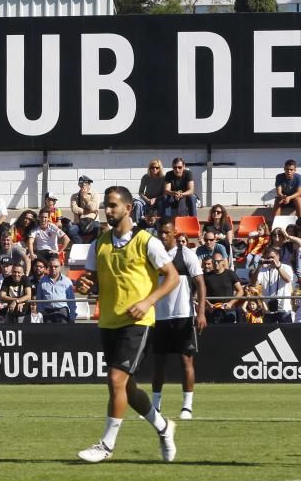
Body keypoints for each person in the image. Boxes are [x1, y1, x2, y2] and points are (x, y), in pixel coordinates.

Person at [74, 186, 179, 464]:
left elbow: (172, 277)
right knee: (128, 389)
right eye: (105, 206)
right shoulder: (99, 244)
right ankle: (164, 427)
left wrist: (148, 302)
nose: (107, 211)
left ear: (128, 208)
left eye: (112, 206)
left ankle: (106, 445)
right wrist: (84, 285)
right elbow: (90, 282)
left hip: (138, 322)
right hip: (108, 321)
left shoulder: (148, 242)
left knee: (115, 380)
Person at [151, 218, 207, 421]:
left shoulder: (187, 255)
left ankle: (187, 406)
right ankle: (155, 407)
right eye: (160, 232)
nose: (163, 236)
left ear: (175, 233)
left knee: (186, 361)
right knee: (159, 363)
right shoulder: (154, 256)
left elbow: (200, 284)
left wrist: (200, 312)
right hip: (160, 316)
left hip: (183, 314)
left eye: (167, 232)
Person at [250, 248, 294, 323]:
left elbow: (288, 279)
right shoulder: (263, 270)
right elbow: (253, 283)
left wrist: (278, 267)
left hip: (284, 308)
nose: (270, 260)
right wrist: (258, 266)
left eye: (272, 257)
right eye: (268, 258)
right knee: (270, 334)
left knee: (285, 333)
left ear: (278, 256)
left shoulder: (286, 267)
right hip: (268, 310)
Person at [204, 253, 243, 323]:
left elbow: (240, 291)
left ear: (223, 262)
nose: (216, 263)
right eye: (214, 261)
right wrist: (208, 304)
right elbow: (201, 293)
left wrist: (231, 303)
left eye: (218, 261)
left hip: (229, 311)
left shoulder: (230, 274)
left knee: (229, 333)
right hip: (212, 311)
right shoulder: (207, 276)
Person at [36, 259, 77, 323]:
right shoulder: (42, 280)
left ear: (60, 267)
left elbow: (71, 300)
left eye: (56, 266)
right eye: (51, 266)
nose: (53, 268)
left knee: (63, 332)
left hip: (62, 311)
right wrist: (41, 310)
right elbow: (39, 297)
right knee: (49, 333)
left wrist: (72, 315)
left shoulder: (67, 281)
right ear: (48, 267)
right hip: (47, 312)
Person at [68, 176, 101, 242]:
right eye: (81, 184)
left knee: (98, 230)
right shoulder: (74, 196)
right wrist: (88, 211)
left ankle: (90, 246)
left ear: (89, 185)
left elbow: (93, 207)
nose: (83, 187)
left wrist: (85, 198)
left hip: (93, 221)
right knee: (72, 230)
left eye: (85, 185)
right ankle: (80, 245)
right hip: (79, 222)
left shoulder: (95, 195)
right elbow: (74, 209)